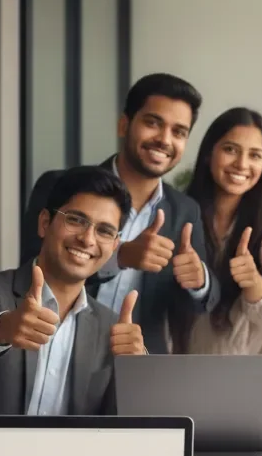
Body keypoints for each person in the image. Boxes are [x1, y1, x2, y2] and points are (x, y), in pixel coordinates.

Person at [21, 73, 219, 352]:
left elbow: (200, 303)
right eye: (153, 123)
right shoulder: (59, 186)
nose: (164, 139)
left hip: (137, 362)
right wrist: (119, 256)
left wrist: (199, 280)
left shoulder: (185, 211)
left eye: (178, 132)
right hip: (54, 350)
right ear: (124, 124)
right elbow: (30, 270)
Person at [0, 166, 144, 415]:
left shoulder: (111, 329)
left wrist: (137, 373)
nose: (88, 239)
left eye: (104, 231)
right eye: (76, 220)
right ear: (45, 223)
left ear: (114, 245)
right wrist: (1, 329)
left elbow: (118, 428)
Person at [176, 108, 262, 354]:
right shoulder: (179, 212)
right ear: (209, 153)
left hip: (240, 368)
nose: (242, 164)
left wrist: (253, 281)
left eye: (255, 155)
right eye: (230, 150)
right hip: (175, 364)